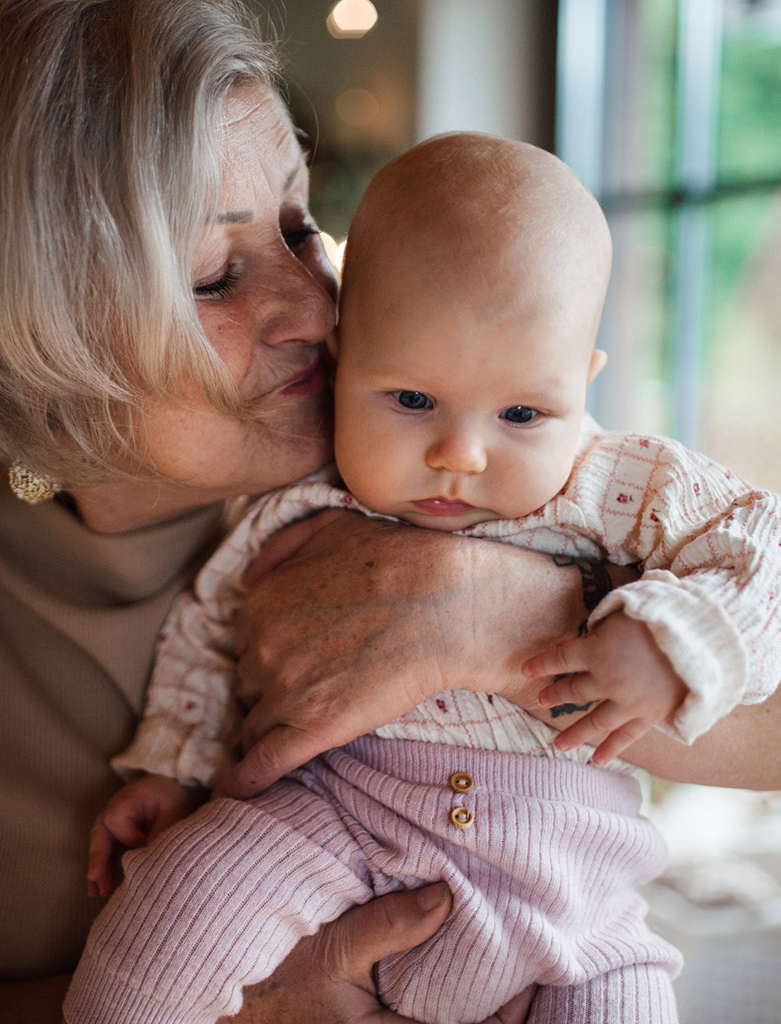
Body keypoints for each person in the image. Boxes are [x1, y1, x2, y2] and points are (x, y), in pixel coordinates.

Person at [0, 1, 777, 1022]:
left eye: (298, 226)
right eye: (215, 277)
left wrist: (491, 620)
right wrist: (249, 1006)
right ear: (33, 350)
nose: (321, 305)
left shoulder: (447, 462)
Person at [72, 134, 781, 1024]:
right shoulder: (300, 500)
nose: (461, 453)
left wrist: (674, 638)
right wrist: (175, 768)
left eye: (522, 412)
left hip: (574, 900)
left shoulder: (621, 485)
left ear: (581, 382)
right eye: (411, 400)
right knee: (171, 906)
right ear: (342, 361)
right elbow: (210, 631)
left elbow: (761, 544)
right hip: (330, 823)